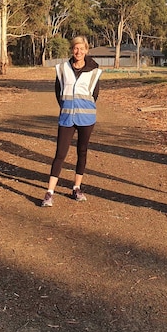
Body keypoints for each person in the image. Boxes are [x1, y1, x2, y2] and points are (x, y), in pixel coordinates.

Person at [41, 36, 102, 207]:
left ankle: (76, 188)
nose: (79, 52)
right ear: (72, 49)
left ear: (87, 50)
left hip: (86, 118)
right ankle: (49, 193)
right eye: (76, 48)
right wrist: (67, 106)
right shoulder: (62, 69)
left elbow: (94, 94)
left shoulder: (94, 71)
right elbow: (58, 92)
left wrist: (82, 107)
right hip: (67, 117)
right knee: (60, 154)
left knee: (82, 152)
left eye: (82, 48)